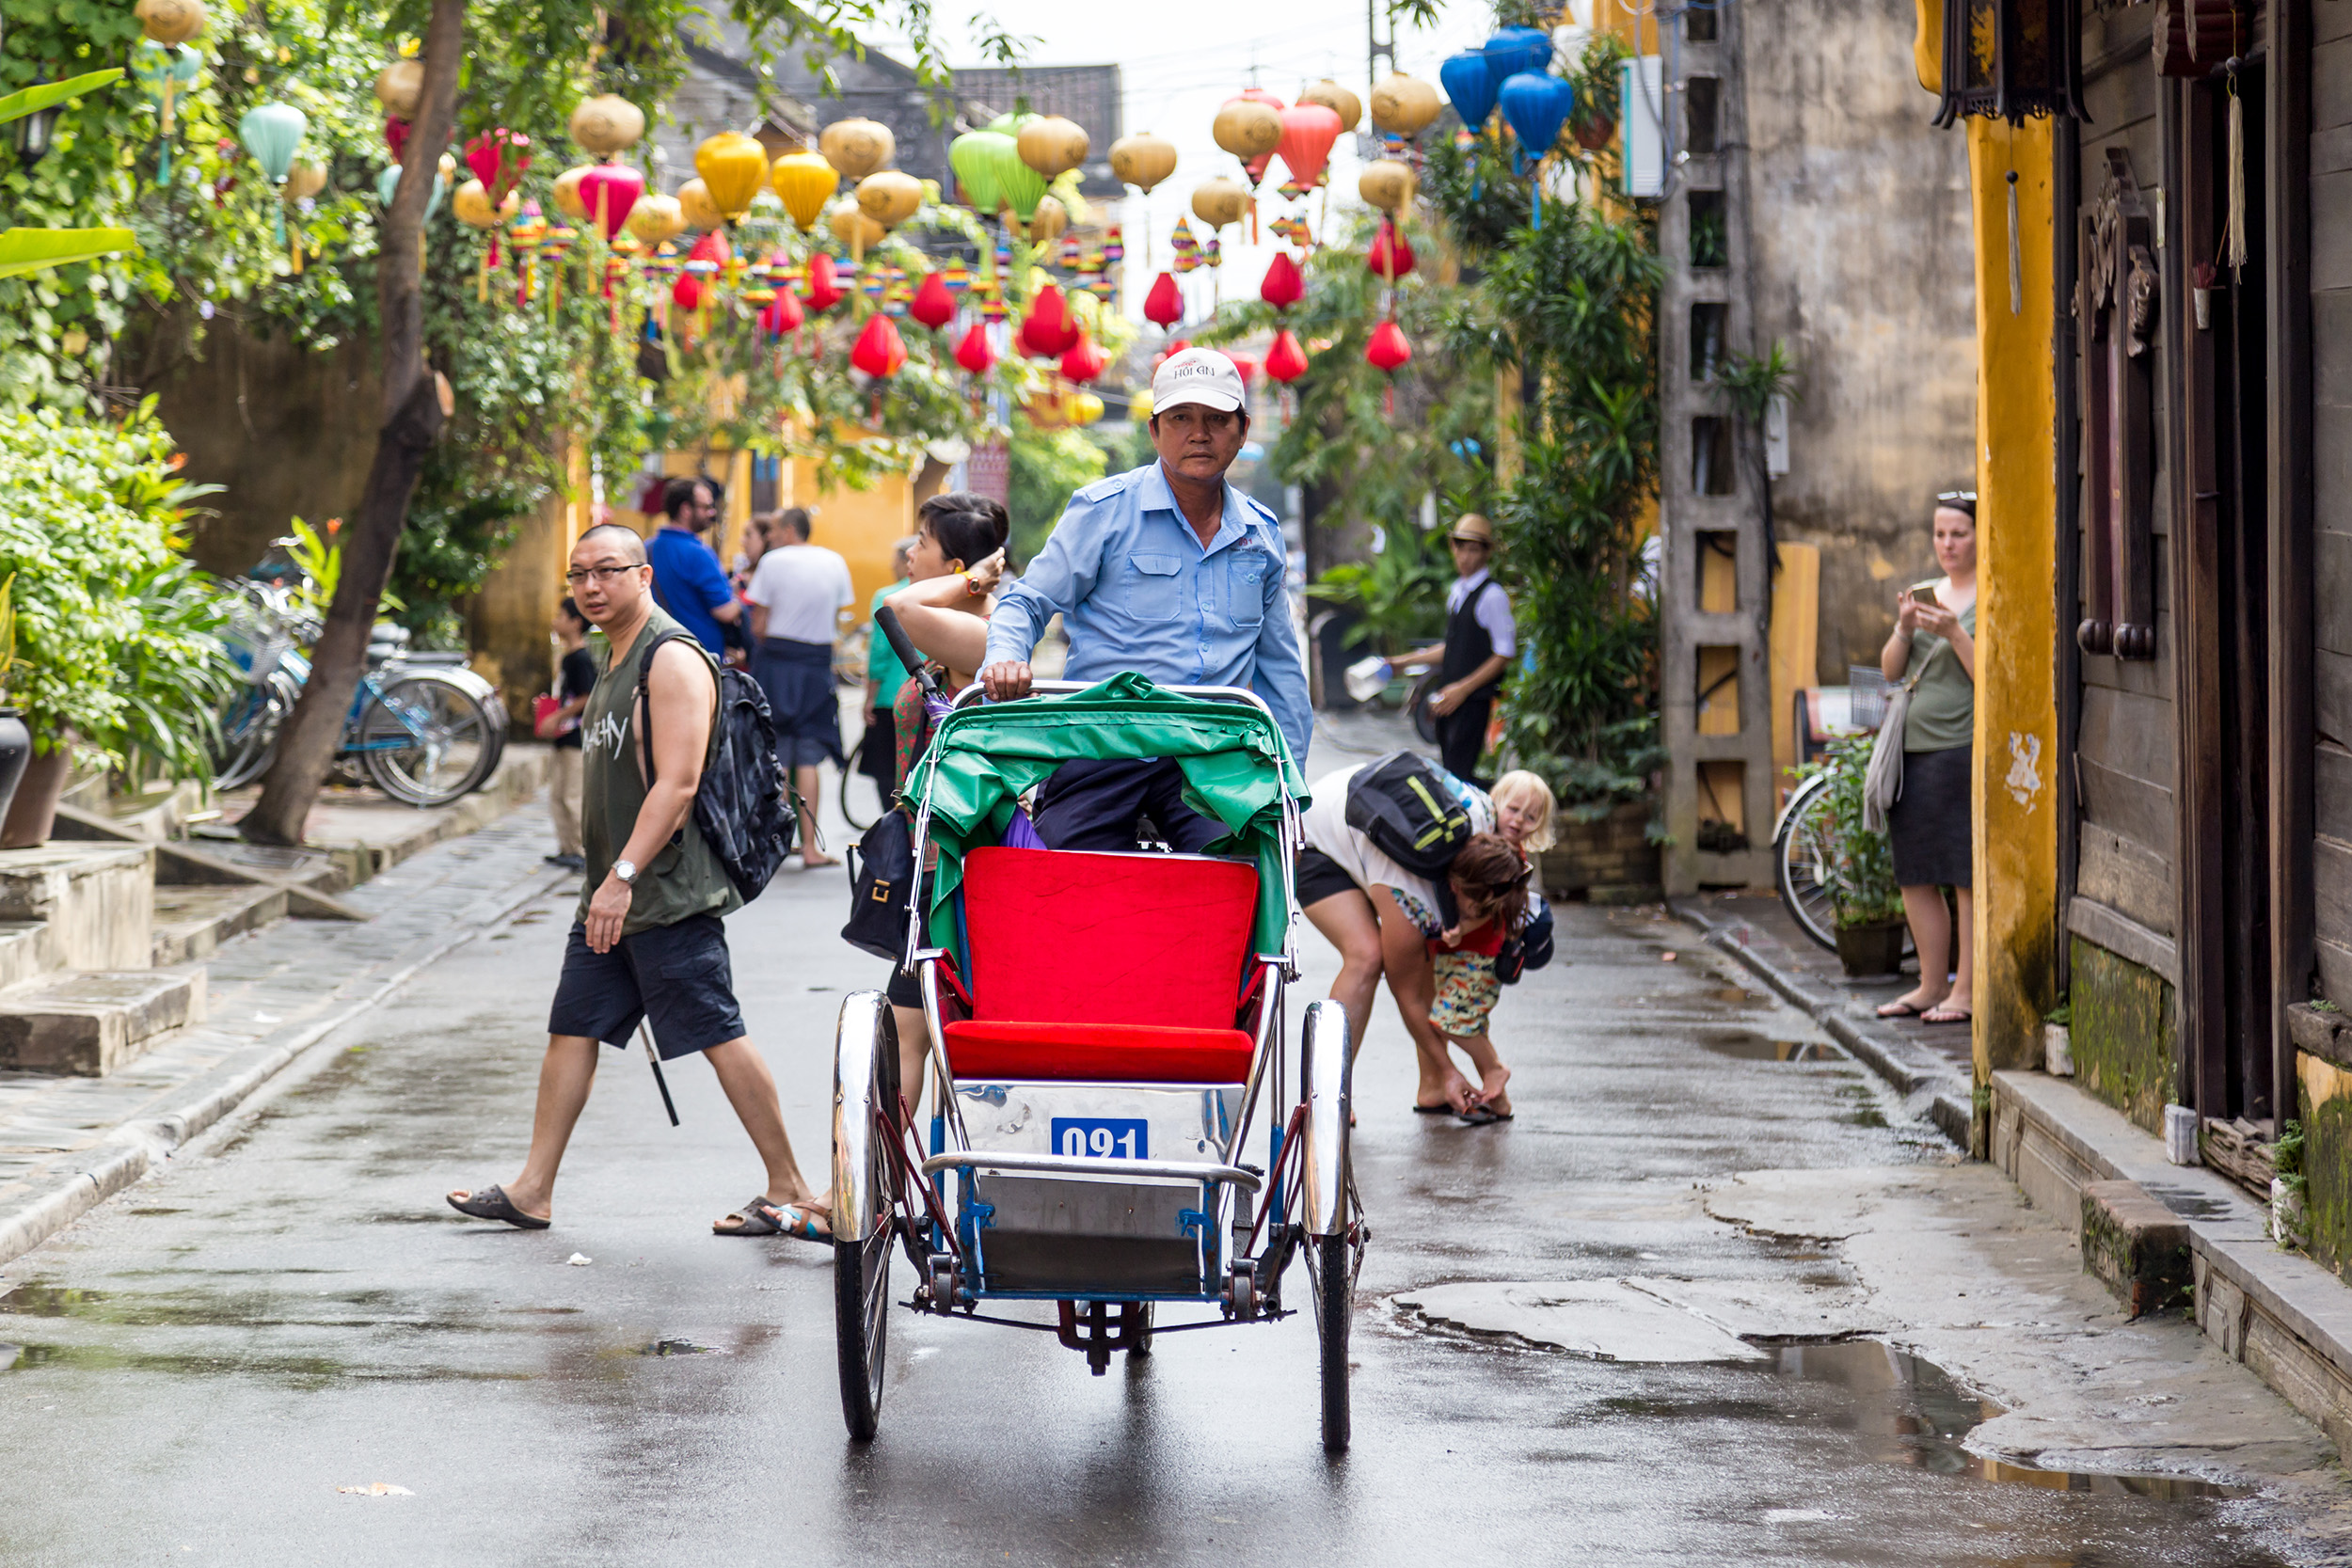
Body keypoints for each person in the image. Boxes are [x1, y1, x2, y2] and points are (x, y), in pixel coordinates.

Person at [447, 523, 831, 1241]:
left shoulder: (671, 658)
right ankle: (534, 1188)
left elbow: (679, 783)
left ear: (644, 574)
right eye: (579, 574)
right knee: (573, 1027)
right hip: (613, 896)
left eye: (608, 571)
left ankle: (793, 1187)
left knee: (719, 1031)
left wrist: (622, 874)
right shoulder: (613, 657)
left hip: (662, 892)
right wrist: (608, 883)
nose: (591, 586)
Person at [979, 345, 1311, 851]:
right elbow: (1026, 602)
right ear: (1155, 431)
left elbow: (1282, 674)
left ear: (1242, 431)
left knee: (1242, 880)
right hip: (1105, 743)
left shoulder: (1260, 536)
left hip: (1212, 757)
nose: (1199, 433)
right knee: (1057, 881)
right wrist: (1005, 657)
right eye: (1181, 418)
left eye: (1217, 419)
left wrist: (1290, 789)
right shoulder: (1103, 511)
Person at [869, 495, 1010, 1102]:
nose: (909, 551)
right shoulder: (955, 630)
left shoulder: (979, 632)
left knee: (913, 1023)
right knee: (910, 1022)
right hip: (930, 854)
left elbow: (893, 609)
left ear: (955, 564)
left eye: (921, 542)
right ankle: (884, 1176)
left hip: (955, 863)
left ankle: (876, 1178)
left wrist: (974, 581)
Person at [1297, 759, 1497, 1116]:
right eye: (1472, 910)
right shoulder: (1407, 885)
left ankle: (1434, 1086)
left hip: (1363, 810)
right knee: (1367, 955)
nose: (1471, 921)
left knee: (1429, 954)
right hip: (1315, 839)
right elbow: (1406, 992)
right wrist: (1455, 1070)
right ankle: (1326, 1095)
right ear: (1455, 886)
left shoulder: (1485, 823)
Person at [1876, 492, 1979, 1027]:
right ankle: (1931, 983)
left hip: (1959, 748)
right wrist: (1905, 626)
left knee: (1963, 873)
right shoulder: (1925, 593)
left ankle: (1966, 991)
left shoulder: (1990, 595)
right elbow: (1892, 671)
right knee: (1915, 872)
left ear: (1980, 536)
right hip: (1911, 753)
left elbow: (1990, 677)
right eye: (1940, 534)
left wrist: (1955, 632)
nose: (1947, 544)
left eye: (1958, 534)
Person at [744, 507, 853, 868]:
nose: (771, 536)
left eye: (775, 529)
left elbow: (759, 624)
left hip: (777, 662)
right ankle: (810, 848)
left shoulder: (773, 562)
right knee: (807, 757)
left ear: (790, 529)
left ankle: (778, 844)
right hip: (816, 665)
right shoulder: (834, 561)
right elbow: (836, 614)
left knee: (776, 754)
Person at [1394, 514, 1516, 784]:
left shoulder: (1492, 595)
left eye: (1473, 549)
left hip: (1472, 701)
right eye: (1460, 547)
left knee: (1460, 778)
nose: (1465, 556)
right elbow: (1454, 647)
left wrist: (1463, 689)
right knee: (1451, 773)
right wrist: (1402, 662)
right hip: (1449, 699)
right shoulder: (1458, 590)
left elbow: (1504, 653)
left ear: (1486, 552)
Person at [1425, 834, 1533, 1126]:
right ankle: (1498, 1102)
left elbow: (1485, 912)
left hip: (1479, 959)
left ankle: (1496, 1070)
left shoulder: (1493, 885)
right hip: (1454, 956)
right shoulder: (1466, 869)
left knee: (1448, 1020)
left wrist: (1461, 928)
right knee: (1473, 1026)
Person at [644, 477, 743, 658]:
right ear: (685, 510)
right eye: (706, 507)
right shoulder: (698, 553)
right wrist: (742, 599)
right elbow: (725, 612)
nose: (712, 512)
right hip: (699, 654)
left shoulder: (647, 548)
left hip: (656, 651)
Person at [859, 535, 920, 802]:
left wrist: (870, 697)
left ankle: (894, 830)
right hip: (927, 695)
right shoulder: (944, 596)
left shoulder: (887, 596)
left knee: (888, 772)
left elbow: (880, 653)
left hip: (890, 697)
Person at [539, 597, 596, 873]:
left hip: (577, 736)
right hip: (563, 736)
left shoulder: (582, 659)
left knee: (573, 795)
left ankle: (583, 851)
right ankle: (567, 847)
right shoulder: (568, 656)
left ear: (575, 623)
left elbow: (586, 697)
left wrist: (558, 716)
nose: (555, 621)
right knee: (558, 793)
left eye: (561, 616)